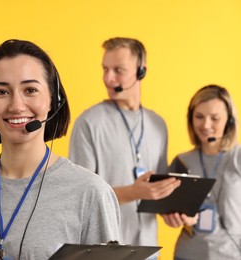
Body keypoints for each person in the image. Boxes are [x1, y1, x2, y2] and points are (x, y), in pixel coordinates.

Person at [0, 39, 121, 260]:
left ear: (53, 100)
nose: (16, 105)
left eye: (30, 90)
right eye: (1, 92)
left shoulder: (91, 193)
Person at [68, 37, 181, 250]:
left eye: (118, 70)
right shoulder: (89, 123)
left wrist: (173, 210)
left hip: (149, 251)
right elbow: (80, 199)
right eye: (105, 69)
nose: (108, 78)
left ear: (141, 71)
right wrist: (135, 192)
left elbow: (156, 192)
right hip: (105, 252)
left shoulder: (158, 124)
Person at [164, 85, 241, 259]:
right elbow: (167, 208)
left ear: (229, 121)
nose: (206, 125)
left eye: (215, 118)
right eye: (199, 116)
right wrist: (175, 216)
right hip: (188, 254)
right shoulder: (181, 161)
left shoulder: (238, 157)